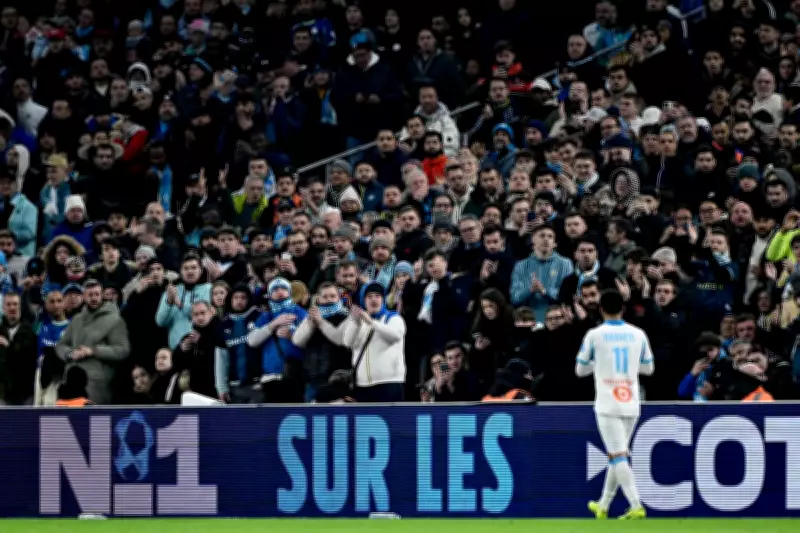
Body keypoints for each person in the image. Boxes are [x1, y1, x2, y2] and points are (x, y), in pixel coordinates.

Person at [576, 289, 654, 520]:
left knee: (618, 455)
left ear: (601, 309)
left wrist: (599, 365)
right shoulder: (638, 334)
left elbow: (580, 370)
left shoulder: (594, 334)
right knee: (616, 454)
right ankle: (603, 505)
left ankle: (636, 504)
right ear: (623, 308)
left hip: (608, 403)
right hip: (631, 401)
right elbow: (648, 368)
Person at [54, 279, 131, 404]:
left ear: (102, 295)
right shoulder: (77, 319)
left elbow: (123, 350)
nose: (94, 298)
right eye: (90, 295)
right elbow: (61, 345)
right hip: (70, 380)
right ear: (84, 297)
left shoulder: (115, 320)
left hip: (96, 383)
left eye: (97, 294)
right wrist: (70, 353)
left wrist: (93, 351)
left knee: (91, 421)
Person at [342, 281, 406, 402]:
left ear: (383, 300)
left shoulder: (392, 318)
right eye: (369, 296)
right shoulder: (358, 322)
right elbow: (347, 342)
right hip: (362, 385)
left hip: (389, 383)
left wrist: (372, 322)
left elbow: (395, 335)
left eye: (377, 296)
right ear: (363, 301)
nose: (374, 299)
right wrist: (356, 323)